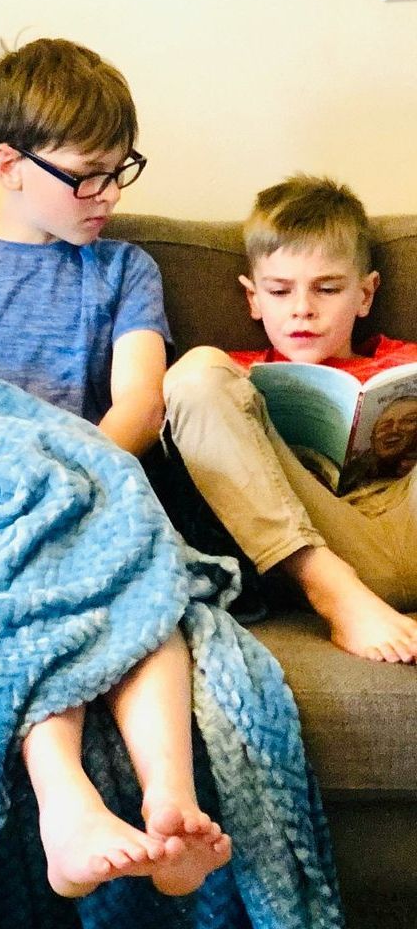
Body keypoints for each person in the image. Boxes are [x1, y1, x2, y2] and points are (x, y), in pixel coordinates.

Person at [0, 37, 230, 900]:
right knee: (28, 584)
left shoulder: (124, 268)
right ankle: (65, 802)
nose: (107, 196)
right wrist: (31, 490)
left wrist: (82, 484)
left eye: (121, 171)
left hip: (99, 483)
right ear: (8, 164)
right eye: (86, 175)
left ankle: (171, 807)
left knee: (147, 585)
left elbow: (140, 404)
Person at [164, 175, 417, 665]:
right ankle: (336, 594)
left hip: (405, 511)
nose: (303, 309)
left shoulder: (405, 362)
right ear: (253, 298)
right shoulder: (235, 378)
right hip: (324, 544)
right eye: (279, 291)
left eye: (327, 288)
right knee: (196, 375)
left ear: (366, 295)